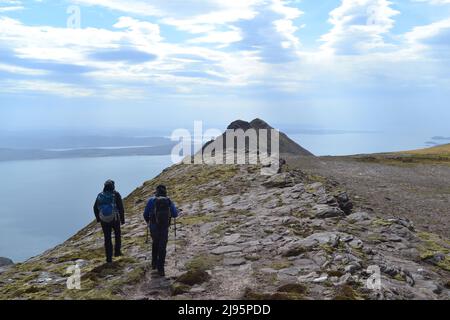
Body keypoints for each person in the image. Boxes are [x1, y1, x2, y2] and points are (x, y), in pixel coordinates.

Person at [143, 185, 179, 276]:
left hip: (153, 226)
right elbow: (175, 214)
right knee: (162, 246)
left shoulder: (151, 200)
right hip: (164, 227)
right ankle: (161, 269)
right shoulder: (168, 200)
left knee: (155, 243)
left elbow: (145, 214)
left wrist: (149, 222)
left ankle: (154, 264)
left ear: (156, 191)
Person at [93, 180, 125, 263]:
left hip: (104, 220)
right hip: (115, 218)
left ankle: (109, 258)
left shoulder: (100, 195)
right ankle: (117, 252)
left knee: (107, 238)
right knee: (117, 234)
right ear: (113, 186)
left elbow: (95, 207)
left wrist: (98, 219)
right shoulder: (116, 194)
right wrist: (122, 219)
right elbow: (121, 208)